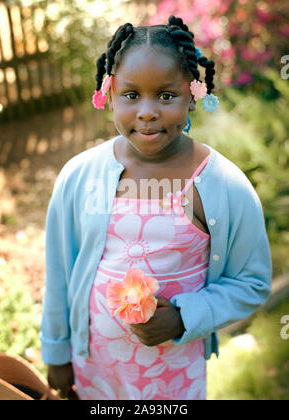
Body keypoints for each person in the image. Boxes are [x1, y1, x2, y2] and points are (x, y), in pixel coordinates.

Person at [40, 16, 272, 400]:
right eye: (131, 95)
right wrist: (57, 353)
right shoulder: (79, 177)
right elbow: (59, 271)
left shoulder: (222, 185)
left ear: (193, 95)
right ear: (109, 92)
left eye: (166, 95)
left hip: (174, 379)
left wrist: (184, 317)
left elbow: (252, 282)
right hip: (95, 370)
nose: (147, 111)